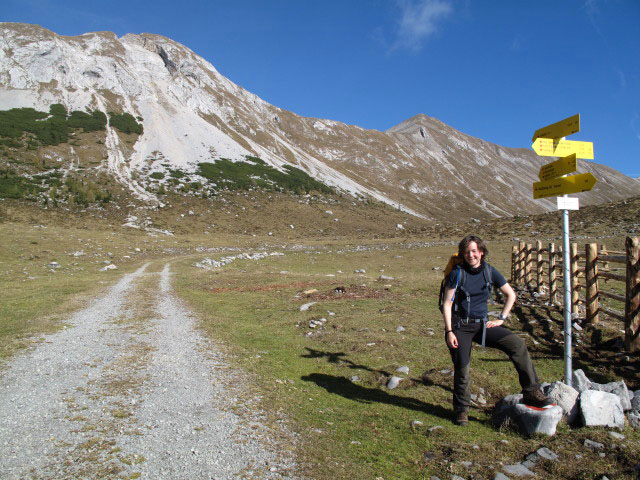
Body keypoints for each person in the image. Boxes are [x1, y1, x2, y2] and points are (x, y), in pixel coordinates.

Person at [441, 235, 552, 426]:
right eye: (467, 252)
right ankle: (461, 411)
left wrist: (501, 318)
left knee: (517, 345)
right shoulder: (457, 273)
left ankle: (531, 391)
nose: (471, 255)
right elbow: (446, 304)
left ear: (481, 252)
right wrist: (450, 331)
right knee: (462, 368)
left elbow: (511, 295)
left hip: (483, 325)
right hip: (460, 327)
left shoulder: (490, 272)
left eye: (474, 251)